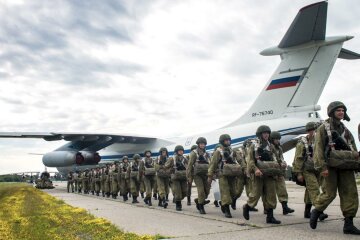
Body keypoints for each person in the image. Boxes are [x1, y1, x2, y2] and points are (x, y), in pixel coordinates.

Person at [310, 101, 360, 235]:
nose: (341, 112)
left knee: (350, 193)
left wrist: (356, 163)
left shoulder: (346, 131)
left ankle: (348, 224)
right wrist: (322, 167)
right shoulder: (323, 128)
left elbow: (353, 149)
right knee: (329, 193)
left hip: (345, 167)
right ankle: (316, 211)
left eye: (343, 110)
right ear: (332, 112)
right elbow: (318, 149)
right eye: (338, 110)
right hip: (330, 166)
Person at [243, 125, 281, 224]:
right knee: (256, 194)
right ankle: (247, 207)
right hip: (258, 173)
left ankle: (270, 217)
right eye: (264, 133)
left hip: (270, 173)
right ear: (260, 134)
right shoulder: (254, 145)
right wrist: (255, 169)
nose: (266, 135)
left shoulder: (271, 146)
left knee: (271, 194)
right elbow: (250, 160)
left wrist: (281, 165)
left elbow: (276, 159)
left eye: (268, 133)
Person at [292, 122, 328, 220]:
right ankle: (319, 211)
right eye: (314, 130)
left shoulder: (321, 141)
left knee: (310, 191)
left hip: (318, 170)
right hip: (307, 170)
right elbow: (298, 158)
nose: (316, 132)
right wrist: (298, 173)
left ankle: (307, 212)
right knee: (314, 188)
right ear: (309, 131)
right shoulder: (302, 143)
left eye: (317, 130)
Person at [208, 134, 242, 218]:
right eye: (226, 140)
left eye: (229, 140)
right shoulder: (218, 151)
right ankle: (227, 210)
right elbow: (213, 163)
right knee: (225, 192)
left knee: (234, 192)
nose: (228, 142)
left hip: (232, 174)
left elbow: (240, 160)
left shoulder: (233, 150)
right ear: (222, 142)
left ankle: (223, 204)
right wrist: (210, 175)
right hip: (222, 174)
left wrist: (244, 168)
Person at [270, 131, 294, 215]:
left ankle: (285, 207)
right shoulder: (269, 147)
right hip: (271, 172)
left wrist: (284, 163)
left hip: (279, 172)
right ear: (272, 139)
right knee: (269, 193)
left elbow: (281, 158)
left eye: (278, 139)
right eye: (276, 139)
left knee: (282, 189)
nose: (277, 140)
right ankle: (267, 208)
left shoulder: (279, 148)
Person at [188, 138, 211, 214]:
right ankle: (201, 207)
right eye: (201, 144)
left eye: (204, 144)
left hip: (205, 174)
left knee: (207, 192)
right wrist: (189, 177)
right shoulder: (194, 153)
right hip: (197, 175)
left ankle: (198, 201)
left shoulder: (207, 154)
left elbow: (210, 164)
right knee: (201, 191)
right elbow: (190, 165)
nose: (202, 145)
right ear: (198, 144)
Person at [166, 145, 188, 211]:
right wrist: (171, 170)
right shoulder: (172, 159)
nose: (181, 152)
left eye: (182, 151)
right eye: (179, 151)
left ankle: (176, 199)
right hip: (175, 178)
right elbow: (166, 166)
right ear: (176, 151)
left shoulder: (185, 159)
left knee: (185, 192)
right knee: (178, 193)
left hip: (184, 177)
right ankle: (178, 204)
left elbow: (189, 167)